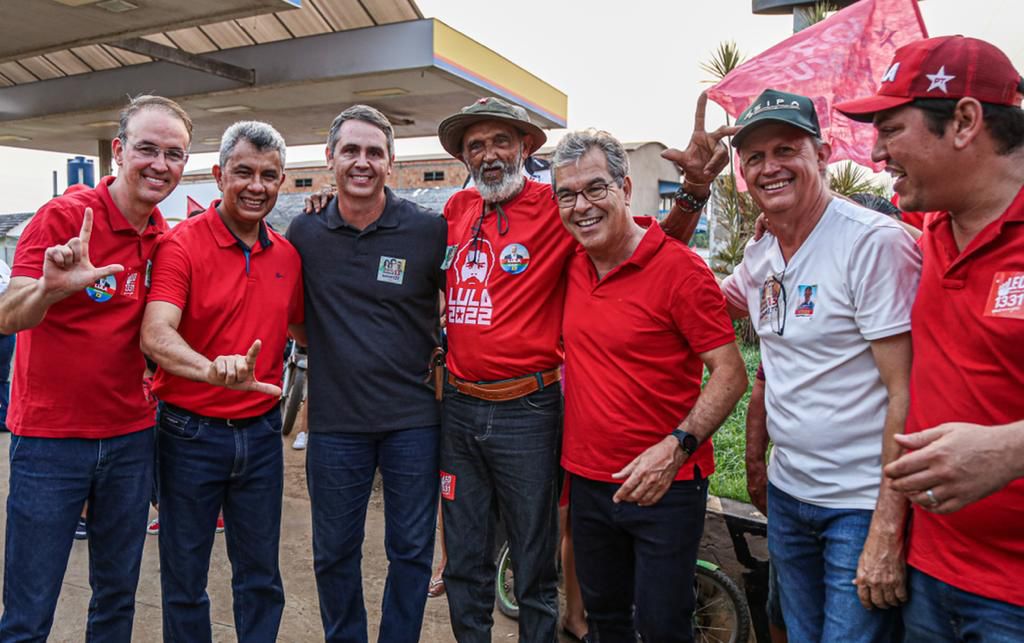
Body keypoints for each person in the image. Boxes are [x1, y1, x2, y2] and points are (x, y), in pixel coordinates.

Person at [435, 96, 725, 641]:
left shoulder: (560, 203)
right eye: (476, 145)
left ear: (525, 147)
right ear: (465, 157)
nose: (490, 154)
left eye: (502, 140)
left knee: (534, 565)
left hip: (528, 409)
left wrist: (692, 193)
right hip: (460, 407)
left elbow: (646, 250)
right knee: (463, 561)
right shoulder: (456, 211)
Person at [836, 35, 1024, 639]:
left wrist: (1010, 449)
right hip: (930, 572)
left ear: (964, 121)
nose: (876, 152)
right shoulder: (931, 226)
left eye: (890, 129)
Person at [719, 88, 920, 642]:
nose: (769, 168)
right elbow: (697, 296)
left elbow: (906, 394)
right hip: (790, 495)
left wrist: (886, 525)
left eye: (786, 150)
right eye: (754, 158)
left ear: (822, 154)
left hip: (858, 504)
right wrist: (684, 198)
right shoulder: (760, 253)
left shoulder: (870, 244)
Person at [0, 94, 189, 640]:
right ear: (118, 151)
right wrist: (49, 290)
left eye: (173, 154)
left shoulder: (165, 238)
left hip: (132, 438)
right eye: (147, 149)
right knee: (28, 610)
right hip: (50, 441)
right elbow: (9, 315)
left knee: (115, 601)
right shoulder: (64, 217)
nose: (159, 164)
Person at [552, 128, 747, 641]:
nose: (582, 206)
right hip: (591, 485)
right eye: (566, 195)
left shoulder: (682, 270)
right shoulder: (569, 263)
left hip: (667, 486)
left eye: (596, 188)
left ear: (625, 188)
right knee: (606, 622)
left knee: (664, 628)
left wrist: (677, 447)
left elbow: (731, 373)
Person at [287, 104, 447, 643]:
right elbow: (295, 321)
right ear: (329, 159)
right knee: (333, 551)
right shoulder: (303, 233)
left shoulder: (428, 231)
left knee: (410, 550)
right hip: (335, 424)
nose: (362, 162)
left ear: (391, 163)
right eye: (350, 151)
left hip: (413, 422)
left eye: (373, 152)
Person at [140, 120, 301, 642]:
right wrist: (212, 369)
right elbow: (156, 333)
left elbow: (305, 328)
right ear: (218, 175)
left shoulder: (288, 256)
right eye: (244, 173)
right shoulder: (180, 245)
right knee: (184, 579)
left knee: (260, 577)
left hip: (260, 434)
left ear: (283, 181)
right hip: (188, 435)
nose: (257, 186)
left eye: (270, 176)